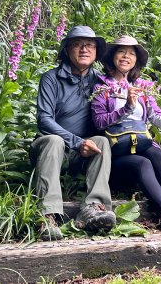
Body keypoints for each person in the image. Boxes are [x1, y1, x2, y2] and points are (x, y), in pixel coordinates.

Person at [91, 35, 161, 234]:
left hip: (140, 145)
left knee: (156, 152)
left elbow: (157, 118)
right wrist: (125, 108)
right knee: (143, 162)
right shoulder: (102, 87)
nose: (126, 57)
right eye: (121, 52)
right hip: (116, 155)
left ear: (136, 61)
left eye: (131, 54)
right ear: (112, 57)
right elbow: (98, 123)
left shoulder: (142, 88)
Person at [31, 26, 117, 241]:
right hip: (50, 151)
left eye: (89, 45)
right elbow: (44, 119)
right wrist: (77, 142)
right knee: (54, 140)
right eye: (77, 45)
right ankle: (46, 215)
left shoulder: (101, 82)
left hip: (82, 155)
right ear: (67, 50)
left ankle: (94, 208)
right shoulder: (51, 79)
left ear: (96, 52)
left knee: (102, 142)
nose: (84, 49)